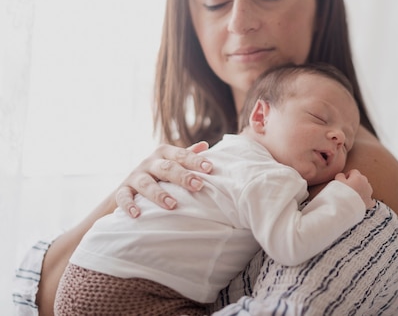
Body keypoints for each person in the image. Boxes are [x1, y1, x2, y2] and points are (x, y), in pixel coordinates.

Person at [14, 0, 398, 315]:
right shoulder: (198, 152)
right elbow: (40, 301)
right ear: (192, 22)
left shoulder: (354, 171)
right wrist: (123, 197)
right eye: (215, 2)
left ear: (322, 4)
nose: (240, 21)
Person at [53, 63, 374, 315]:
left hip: (84, 273)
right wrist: (346, 199)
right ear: (261, 117)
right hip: (133, 291)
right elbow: (290, 244)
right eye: (320, 118)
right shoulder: (269, 173)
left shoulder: (222, 154)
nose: (337, 137)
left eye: (346, 140)